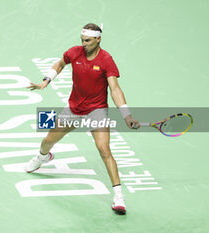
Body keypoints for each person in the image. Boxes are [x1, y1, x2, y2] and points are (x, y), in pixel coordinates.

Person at [25, 23, 140, 215]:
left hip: (97, 111)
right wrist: (47, 80)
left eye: (87, 41)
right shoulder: (75, 52)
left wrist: (126, 115)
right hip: (74, 108)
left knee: (104, 149)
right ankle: (42, 157)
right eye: (82, 40)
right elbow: (60, 64)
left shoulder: (106, 60)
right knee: (47, 141)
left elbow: (115, 89)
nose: (84, 44)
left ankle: (119, 196)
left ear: (98, 39)